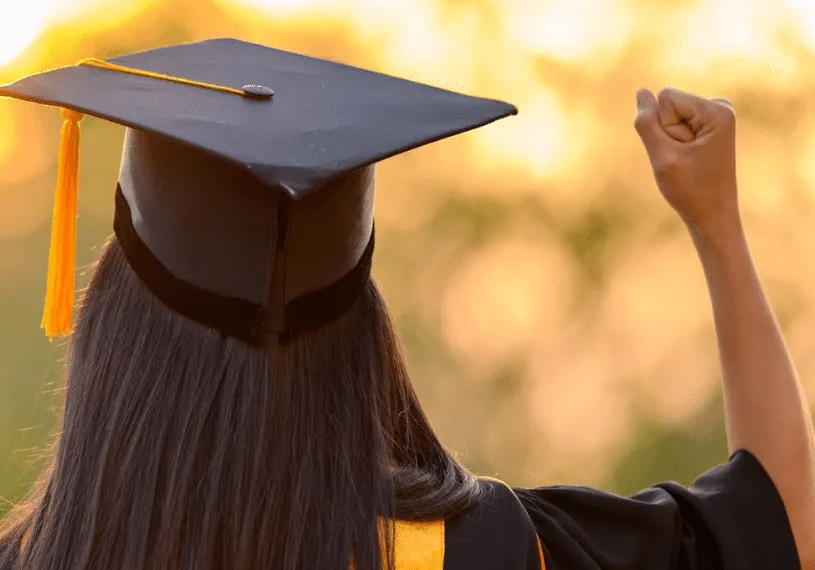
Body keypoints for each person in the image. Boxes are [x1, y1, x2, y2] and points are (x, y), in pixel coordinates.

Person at [0, 38, 810, 570]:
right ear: (363, 337)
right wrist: (715, 226)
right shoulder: (490, 552)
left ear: (117, 331)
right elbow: (778, 528)